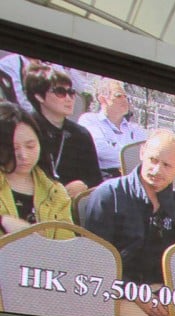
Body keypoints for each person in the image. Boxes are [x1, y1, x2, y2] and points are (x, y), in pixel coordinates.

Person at [80, 129, 175, 316]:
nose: (157, 170)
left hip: (164, 293)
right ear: (142, 153)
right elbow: (94, 262)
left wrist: (172, 296)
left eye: (167, 165)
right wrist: (137, 294)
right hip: (113, 290)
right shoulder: (109, 195)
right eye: (153, 160)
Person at [23, 66, 101, 198]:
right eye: (60, 92)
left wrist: (84, 185)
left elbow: (96, 180)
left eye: (71, 92)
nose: (69, 98)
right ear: (39, 96)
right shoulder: (25, 129)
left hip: (69, 207)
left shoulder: (81, 135)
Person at [0, 101, 72, 237]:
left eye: (30, 146)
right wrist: (3, 221)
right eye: (14, 148)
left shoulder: (55, 192)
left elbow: (66, 244)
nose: (23, 155)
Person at [77, 78, 147, 179]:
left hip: (134, 178)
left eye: (125, 96)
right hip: (104, 177)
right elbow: (100, 149)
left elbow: (146, 156)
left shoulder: (136, 130)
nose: (125, 100)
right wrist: (131, 157)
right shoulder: (90, 120)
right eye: (118, 96)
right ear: (102, 99)